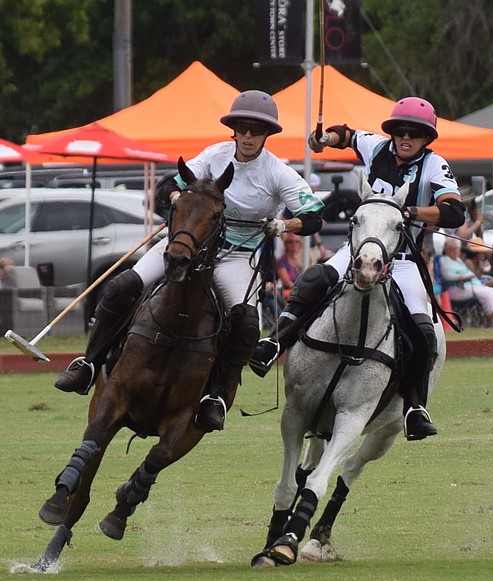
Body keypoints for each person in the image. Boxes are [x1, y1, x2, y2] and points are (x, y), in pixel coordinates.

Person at [53, 89, 325, 432]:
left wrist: (284, 224)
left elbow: (314, 215)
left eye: (257, 130)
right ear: (234, 130)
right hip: (188, 245)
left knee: (245, 324)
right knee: (122, 286)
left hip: (233, 257)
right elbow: (169, 185)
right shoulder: (214, 155)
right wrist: (175, 195)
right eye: (243, 128)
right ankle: (89, 365)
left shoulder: (277, 173)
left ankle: (215, 395)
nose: (249, 136)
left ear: (267, 134)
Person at [251, 96, 466, 441]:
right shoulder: (377, 148)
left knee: (424, 330)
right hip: (358, 250)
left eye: (415, 134)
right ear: (393, 133)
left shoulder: (434, 166)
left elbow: (455, 213)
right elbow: (347, 134)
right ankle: (274, 344)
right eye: (401, 131)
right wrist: (325, 140)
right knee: (314, 278)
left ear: (426, 138)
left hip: (403, 260)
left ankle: (414, 406)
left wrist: (410, 213)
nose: (406, 138)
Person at [439, 237, 493, 329]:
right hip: (457, 288)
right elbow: (447, 277)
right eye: (453, 249)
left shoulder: (458, 261)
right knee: (488, 294)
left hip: (471, 285)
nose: (456, 251)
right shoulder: (444, 260)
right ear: (447, 249)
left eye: (457, 249)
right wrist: (465, 277)